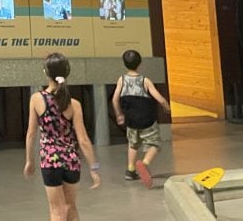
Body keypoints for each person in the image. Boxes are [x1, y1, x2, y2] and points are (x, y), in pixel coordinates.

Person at [24, 52, 101, 220]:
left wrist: (30, 160)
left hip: (50, 160)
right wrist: (94, 168)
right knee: (71, 207)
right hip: (71, 160)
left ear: (46, 72)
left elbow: (31, 134)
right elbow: (83, 140)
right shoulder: (74, 104)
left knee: (56, 210)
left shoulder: (36, 99)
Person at [112, 49, 170, 188]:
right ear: (140, 63)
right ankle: (144, 164)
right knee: (154, 144)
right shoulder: (145, 81)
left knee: (133, 144)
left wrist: (119, 114)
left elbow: (115, 99)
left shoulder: (122, 80)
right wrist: (166, 107)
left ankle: (130, 170)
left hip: (131, 120)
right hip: (147, 120)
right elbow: (160, 99)